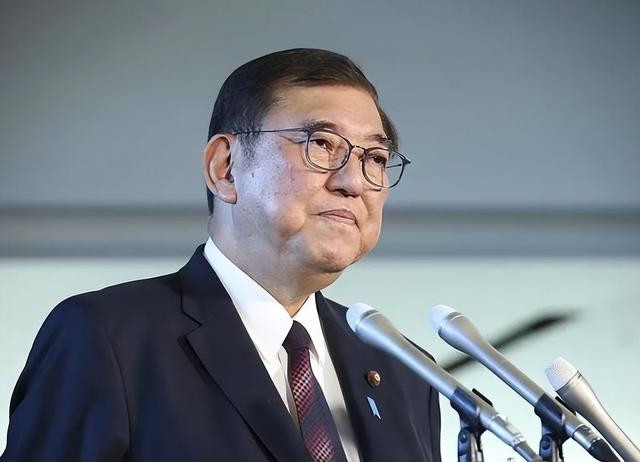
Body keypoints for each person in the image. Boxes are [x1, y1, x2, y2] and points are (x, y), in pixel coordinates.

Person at [1, 48, 441, 462]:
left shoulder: (405, 372)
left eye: (375, 157)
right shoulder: (108, 338)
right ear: (224, 167)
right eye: (322, 144)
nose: (354, 182)